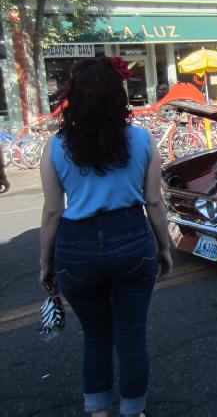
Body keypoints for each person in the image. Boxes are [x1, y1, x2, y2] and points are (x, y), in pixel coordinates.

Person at [39, 56, 173, 417]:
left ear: (73, 97)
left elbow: (52, 211)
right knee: (131, 337)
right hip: (131, 239)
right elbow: (154, 202)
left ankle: (98, 412)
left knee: (96, 338)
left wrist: (45, 262)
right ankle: (133, 412)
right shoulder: (143, 140)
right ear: (119, 95)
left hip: (75, 246)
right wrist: (165, 247)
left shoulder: (55, 146)